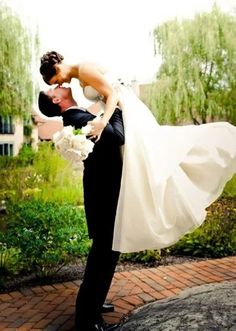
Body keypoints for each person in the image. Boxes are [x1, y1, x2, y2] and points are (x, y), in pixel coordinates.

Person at [39, 50, 236, 254]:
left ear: (57, 68)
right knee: (146, 160)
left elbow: (112, 94)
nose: (59, 84)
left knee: (155, 151)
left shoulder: (84, 69)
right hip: (116, 110)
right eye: (55, 86)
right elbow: (103, 97)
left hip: (122, 107)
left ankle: (219, 143)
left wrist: (102, 121)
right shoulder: (80, 78)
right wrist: (94, 117)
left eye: (55, 80)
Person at [38, 85, 124, 331]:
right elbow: (117, 137)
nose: (60, 85)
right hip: (104, 193)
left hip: (101, 191)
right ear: (56, 98)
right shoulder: (77, 118)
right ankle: (87, 320)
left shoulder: (76, 116)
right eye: (53, 87)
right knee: (104, 255)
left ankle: (93, 304)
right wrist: (116, 109)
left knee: (105, 253)